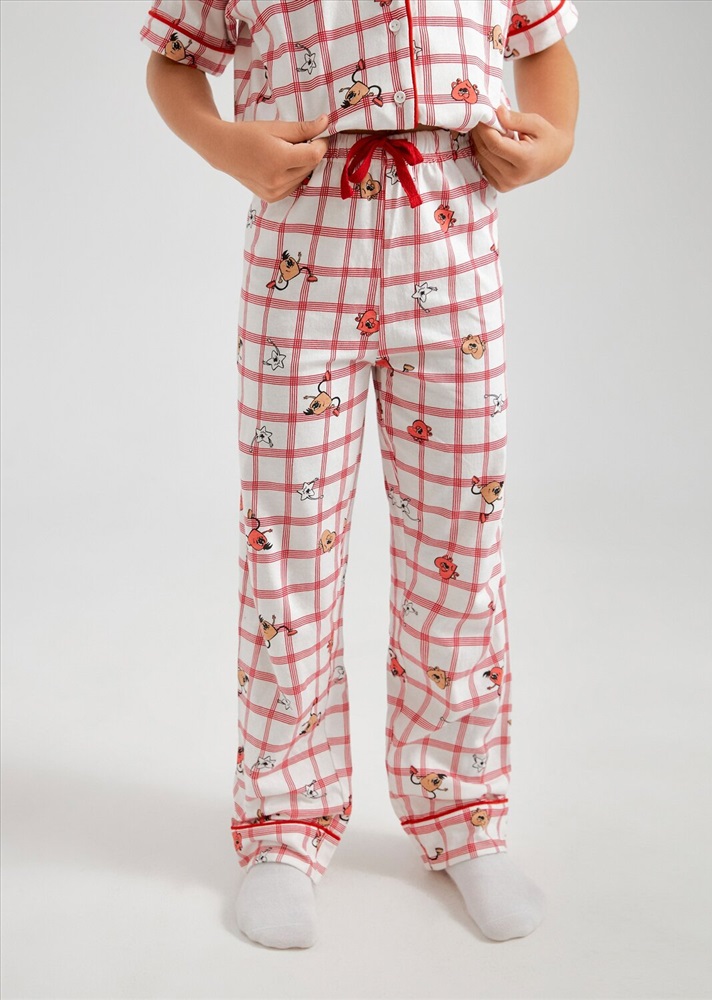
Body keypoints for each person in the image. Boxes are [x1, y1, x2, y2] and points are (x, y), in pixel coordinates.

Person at [139, 0, 580, 950]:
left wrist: (555, 141)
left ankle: (464, 812)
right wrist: (225, 145)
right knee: (289, 551)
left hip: (453, 248)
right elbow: (174, 60)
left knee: (460, 545)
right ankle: (284, 826)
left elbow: (543, 46)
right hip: (304, 245)